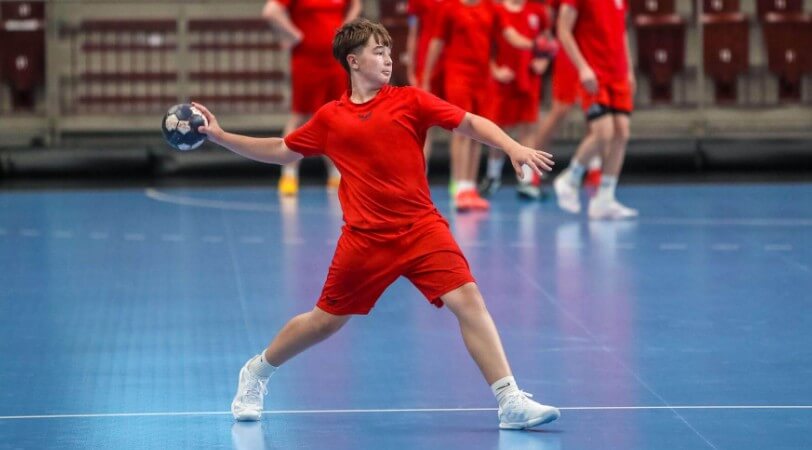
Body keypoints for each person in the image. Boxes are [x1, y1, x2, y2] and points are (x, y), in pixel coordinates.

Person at [194, 19, 560, 430]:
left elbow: (470, 122)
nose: (388, 59)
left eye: (389, 52)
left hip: (422, 229)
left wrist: (512, 146)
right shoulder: (331, 118)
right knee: (324, 322)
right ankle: (257, 371)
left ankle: (509, 400)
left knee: (468, 300)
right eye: (378, 52)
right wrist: (221, 137)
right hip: (365, 240)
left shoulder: (411, 100)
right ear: (353, 61)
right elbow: (281, 149)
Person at [262, 0, 362, 196]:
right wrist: (294, 35)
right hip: (307, 59)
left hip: (336, 60)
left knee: (338, 115)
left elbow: (356, 4)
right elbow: (270, 11)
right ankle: (289, 173)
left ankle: (336, 173)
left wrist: (346, 30)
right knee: (300, 116)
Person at [552, 0, 638, 219]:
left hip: (618, 73)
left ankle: (605, 199)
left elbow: (621, 32)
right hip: (594, 73)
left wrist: (629, 70)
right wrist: (582, 67)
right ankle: (570, 178)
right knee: (603, 132)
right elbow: (563, 30)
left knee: (622, 132)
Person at [423, 0, 498, 211]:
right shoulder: (450, 7)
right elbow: (436, 42)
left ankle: (470, 187)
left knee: (479, 132)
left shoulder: (490, 8)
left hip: (482, 77)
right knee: (461, 128)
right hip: (458, 74)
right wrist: (427, 77)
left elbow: (497, 42)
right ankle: (459, 186)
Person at [478, 0, 553, 200]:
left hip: (528, 78)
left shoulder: (537, 11)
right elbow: (486, 44)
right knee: (498, 131)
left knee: (528, 129)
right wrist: (495, 70)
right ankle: (493, 177)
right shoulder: (497, 11)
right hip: (504, 81)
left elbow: (548, 40)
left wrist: (544, 61)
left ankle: (526, 182)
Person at [534, 0, 601, 189]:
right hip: (569, 50)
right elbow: (551, 17)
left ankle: (594, 166)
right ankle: (533, 166)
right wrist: (544, 49)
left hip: (595, 50)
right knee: (561, 108)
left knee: (597, 111)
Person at [404, 0, 448, 167]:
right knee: (423, 124)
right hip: (426, 64)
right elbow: (413, 33)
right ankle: (420, 174)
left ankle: (461, 179)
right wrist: (410, 68)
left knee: (462, 123)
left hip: (453, 64)